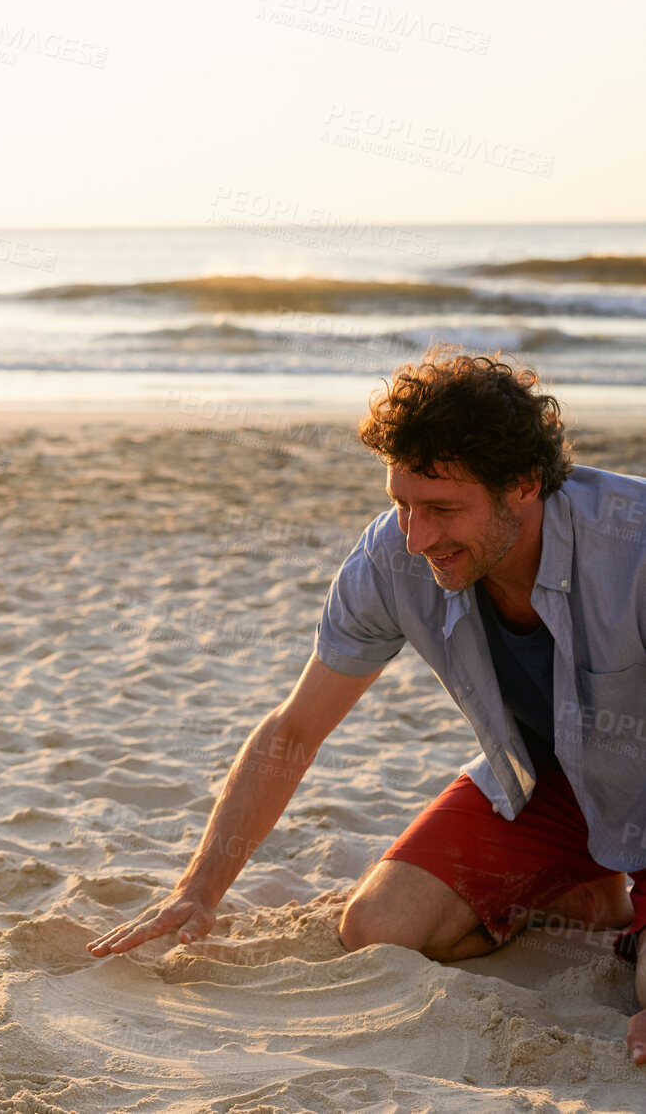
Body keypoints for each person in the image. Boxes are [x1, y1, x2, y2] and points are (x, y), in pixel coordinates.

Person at [88, 349, 646, 1063]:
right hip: (548, 783)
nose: (416, 538)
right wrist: (199, 891)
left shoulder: (630, 545)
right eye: (401, 504)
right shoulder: (392, 557)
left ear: (523, 483)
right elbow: (293, 729)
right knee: (377, 927)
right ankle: (597, 895)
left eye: (443, 509)